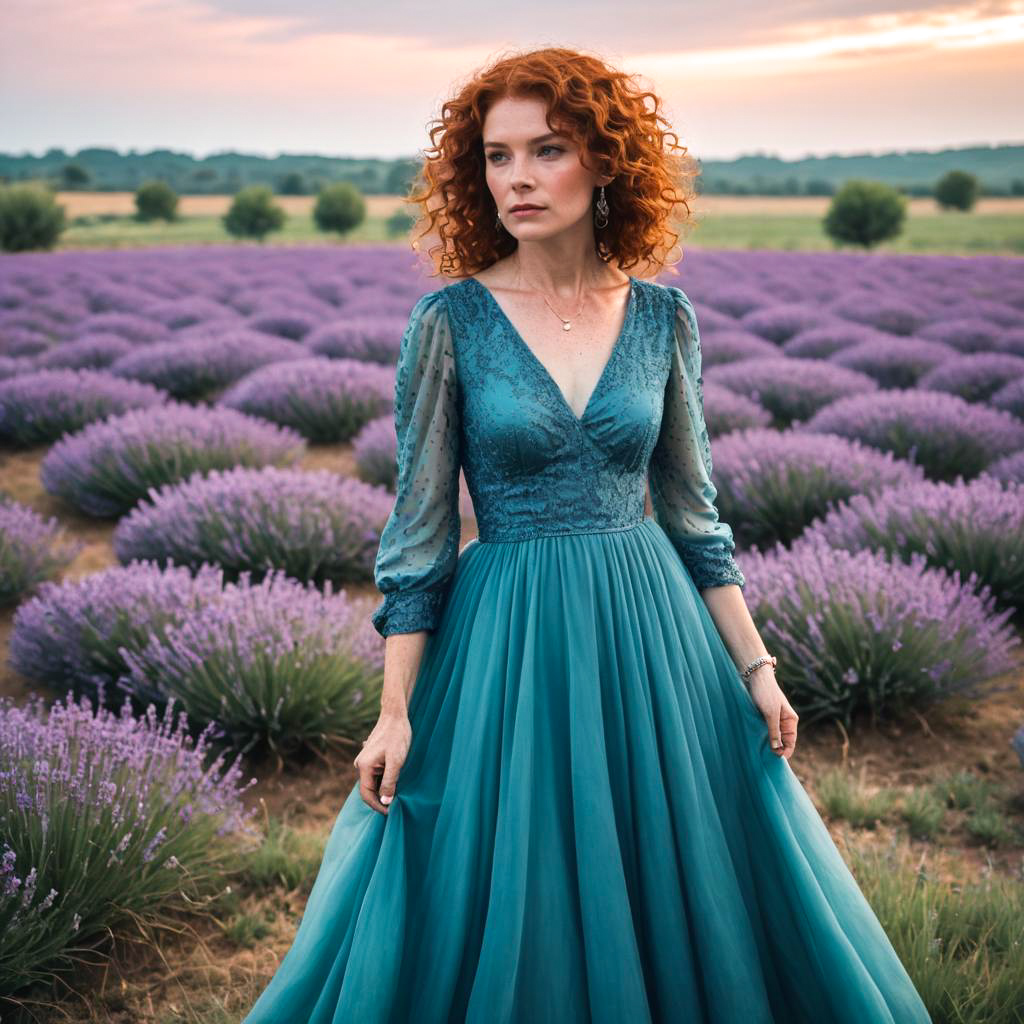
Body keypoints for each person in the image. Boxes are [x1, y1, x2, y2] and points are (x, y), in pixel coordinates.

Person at [242, 46, 933, 1024]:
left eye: (547, 150)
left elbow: (694, 511)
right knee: (508, 875)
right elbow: (420, 533)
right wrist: (394, 711)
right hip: (509, 640)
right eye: (495, 156)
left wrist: (756, 665)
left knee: (686, 867)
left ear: (605, 162)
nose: (517, 178)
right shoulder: (450, 322)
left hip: (654, 637)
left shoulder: (661, 317)